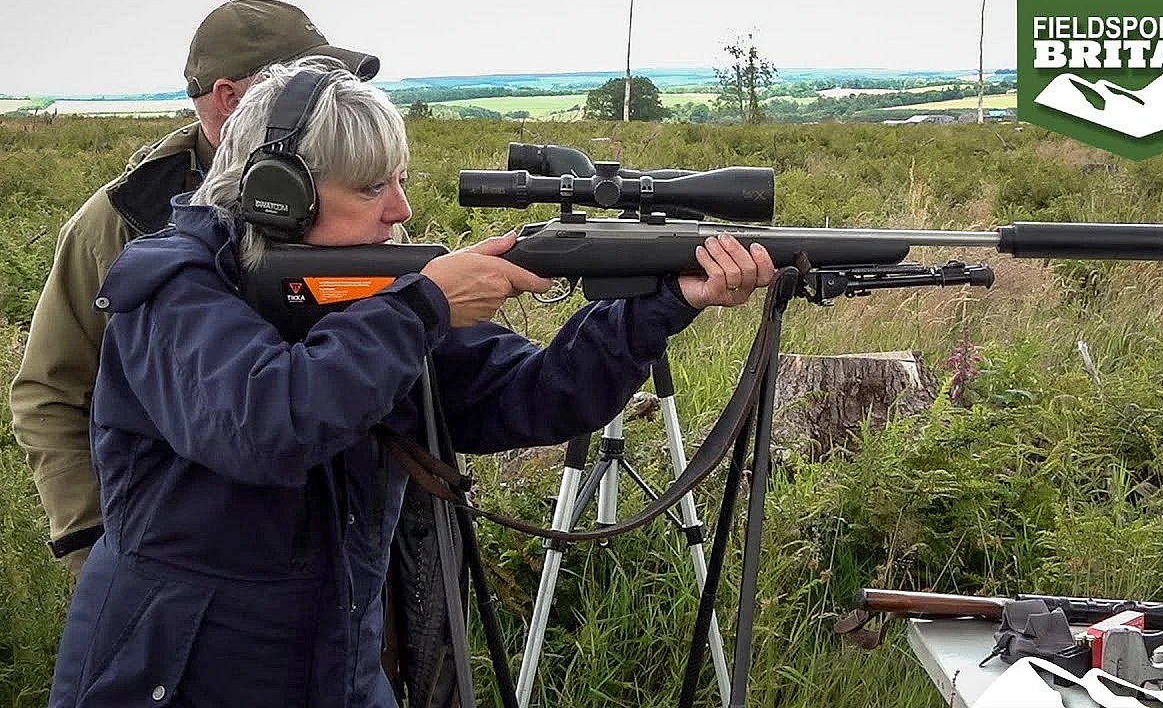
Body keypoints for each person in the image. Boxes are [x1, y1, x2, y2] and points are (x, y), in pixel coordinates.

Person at [47, 60, 775, 707]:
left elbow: (538, 394)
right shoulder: (172, 287)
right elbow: (265, 426)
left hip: (337, 660)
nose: (399, 210)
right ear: (277, 195)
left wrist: (660, 305)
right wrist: (424, 305)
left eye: (401, 181)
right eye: (370, 188)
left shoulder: (370, 291)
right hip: (176, 672)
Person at [9, 0, 380, 575]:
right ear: (230, 99)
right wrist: (94, 544)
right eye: (302, 83)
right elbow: (51, 394)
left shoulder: (354, 197)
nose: (329, 102)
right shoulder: (122, 221)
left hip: (351, 545)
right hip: (192, 566)